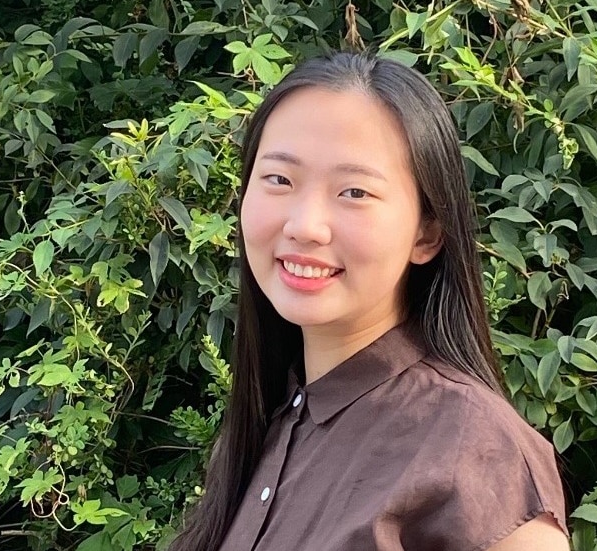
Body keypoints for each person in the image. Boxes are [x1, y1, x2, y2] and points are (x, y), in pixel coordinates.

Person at [169, 51, 569, 551]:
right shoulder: (272, 420)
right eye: (279, 180)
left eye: (355, 191)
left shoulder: (478, 450)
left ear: (427, 233)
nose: (304, 226)